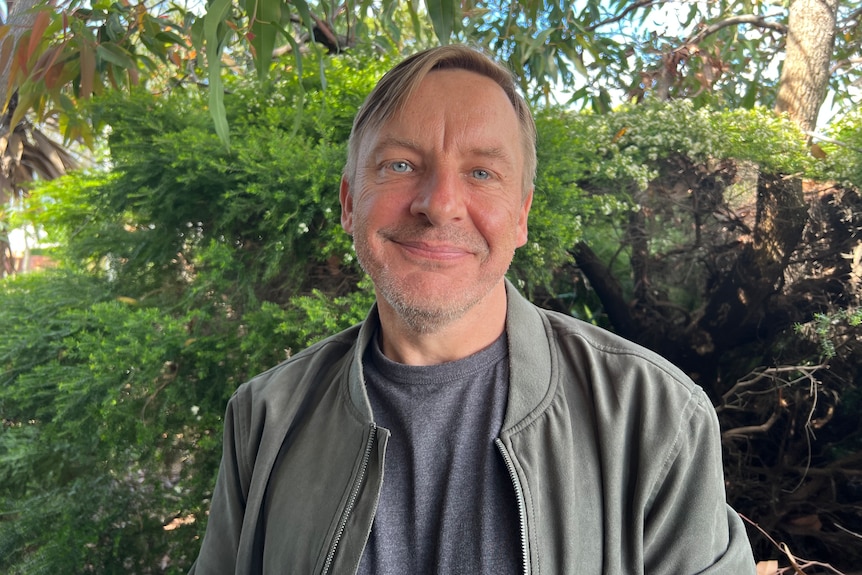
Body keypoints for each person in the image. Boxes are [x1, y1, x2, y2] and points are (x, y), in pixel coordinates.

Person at [189, 45, 756, 574]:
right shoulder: (263, 418)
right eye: (400, 165)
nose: (439, 205)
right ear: (348, 204)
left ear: (520, 217)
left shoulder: (656, 418)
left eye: (482, 173)